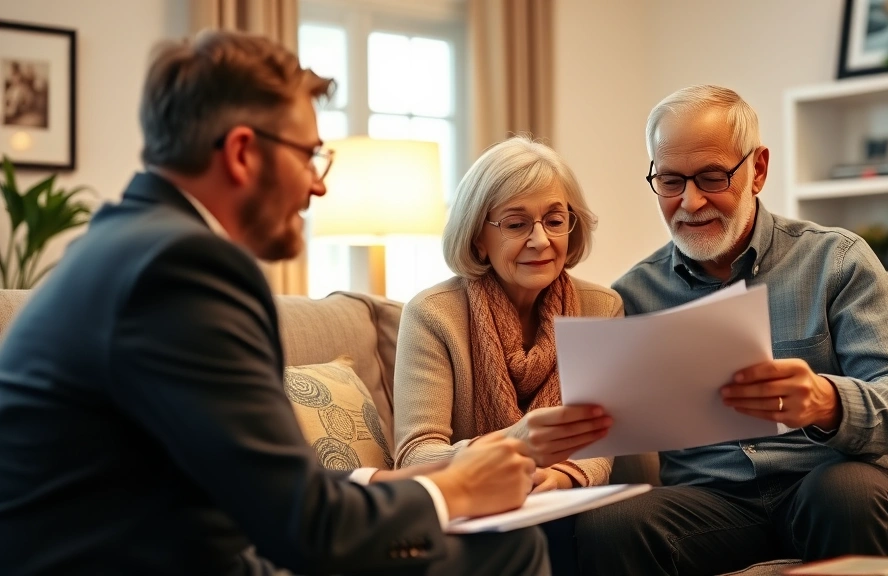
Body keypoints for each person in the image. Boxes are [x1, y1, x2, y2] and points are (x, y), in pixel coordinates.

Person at [0, 30, 554, 576]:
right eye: (310, 155)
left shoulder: (126, 245)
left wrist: (388, 481)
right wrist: (452, 487)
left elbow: (253, 479)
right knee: (508, 550)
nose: (318, 186)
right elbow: (306, 529)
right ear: (242, 152)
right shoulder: (183, 269)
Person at [574, 85, 888, 575]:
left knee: (843, 494)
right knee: (609, 525)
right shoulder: (633, 298)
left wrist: (826, 401)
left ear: (758, 169)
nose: (691, 201)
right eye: (671, 181)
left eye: (712, 177)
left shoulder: (837, 261)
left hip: (834, 479)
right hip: (716, 505)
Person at [393, 136, 618, 494]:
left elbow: (601, 435)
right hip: (472, 503)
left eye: (555, 220)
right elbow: (415, 453)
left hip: (567, 504)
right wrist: (515, 447)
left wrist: (560, 477)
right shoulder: (432, 314)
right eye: (516, 225)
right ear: (477, 237)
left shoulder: (601, 308)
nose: (541, 240)